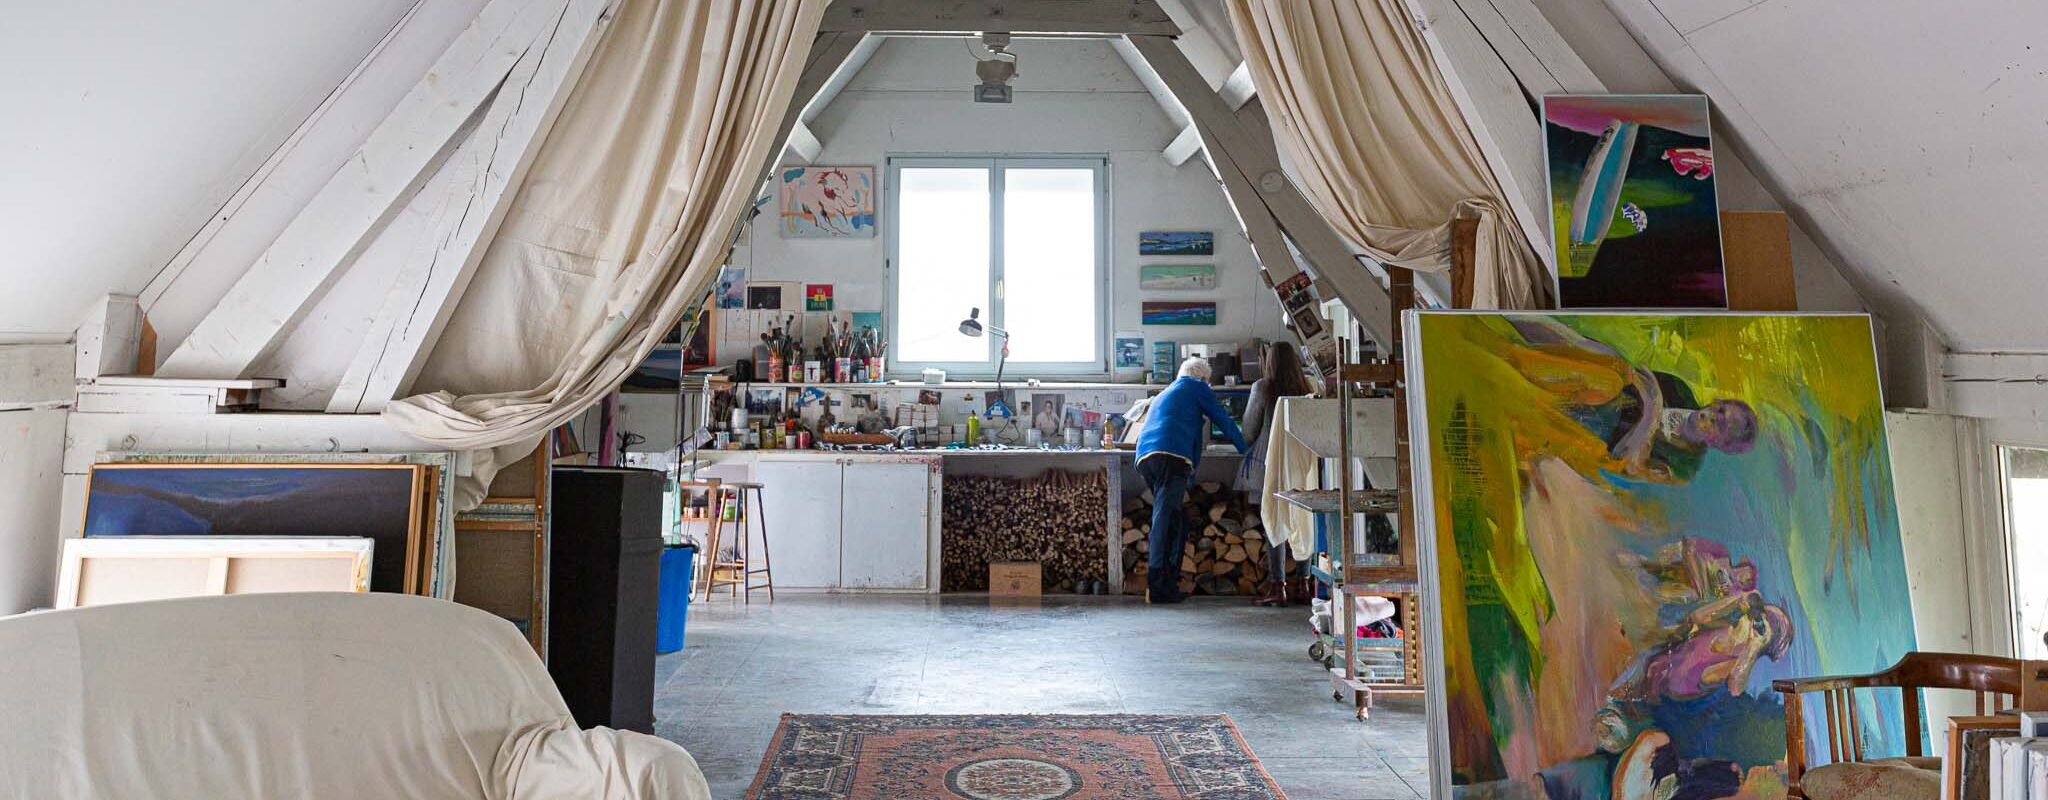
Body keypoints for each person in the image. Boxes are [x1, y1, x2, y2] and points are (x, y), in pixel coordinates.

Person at [1137, 357, 1250, 604]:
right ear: (1204, 380)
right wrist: (1246, 449)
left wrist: (1190, 476)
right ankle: (1158, 588)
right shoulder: (1196, 387)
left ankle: (1167, 582)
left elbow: (1195, 441)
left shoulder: (1167, 392)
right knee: (1164, 521)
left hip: (1145, 458)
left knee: (1175, 519)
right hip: (1171, 456)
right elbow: (1223, 420)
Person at [1236, 341, 1318, 607]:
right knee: (1302, 518)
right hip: (1304, 464)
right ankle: (1304, 583)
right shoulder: (1309, 386)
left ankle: (1277, 586)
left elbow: (1249, 430)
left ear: (1269, 362)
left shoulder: (1262, 387)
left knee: (1274, 517)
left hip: (1271, 463)